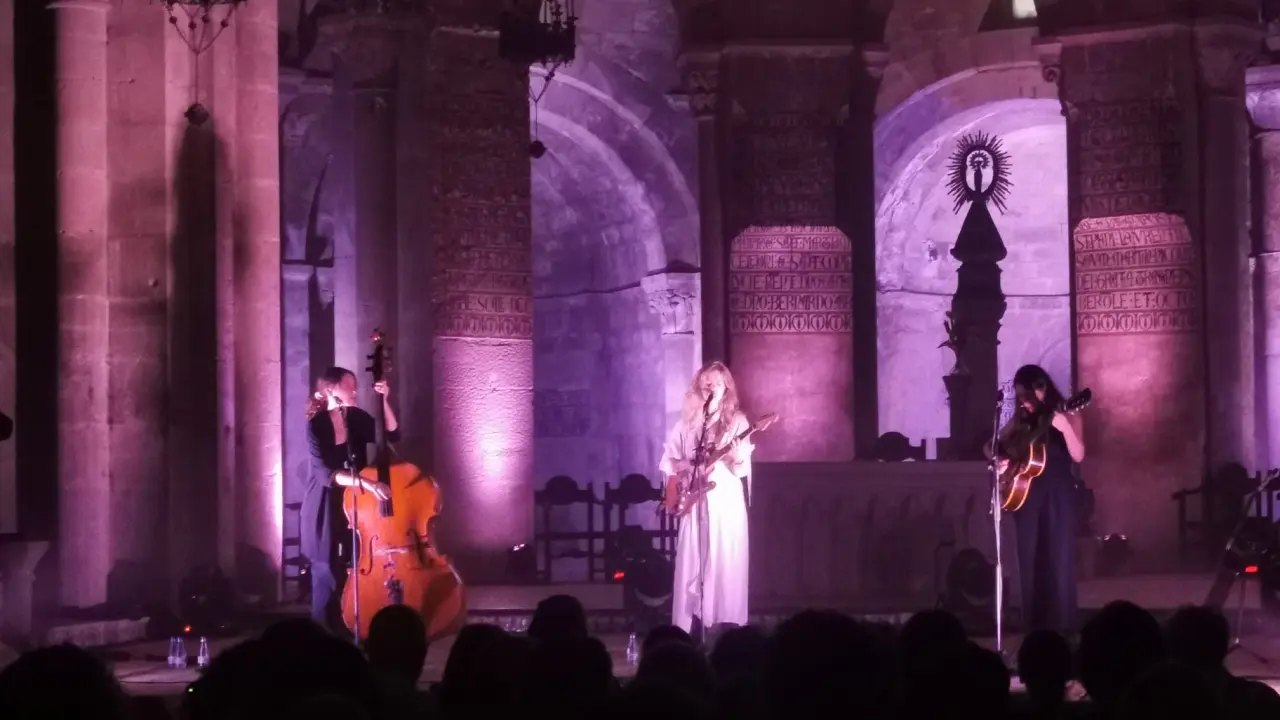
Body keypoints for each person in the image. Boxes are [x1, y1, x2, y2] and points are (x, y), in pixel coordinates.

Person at [659, 361, 754, 638]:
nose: (711, 387)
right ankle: (691, 628)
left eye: (717, 383)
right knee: (695, 560)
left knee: (724, 561)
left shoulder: (738, 422)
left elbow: (742, 470)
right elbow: (669, 460)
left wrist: (737, 457)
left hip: (725, 501)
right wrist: (686, 469)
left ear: (726, 389)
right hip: (695, 500)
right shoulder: (688, 423)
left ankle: (727, 629)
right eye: (707, 382)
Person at [302, 366, 400, 632]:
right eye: (349, 386)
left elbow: (391, 434)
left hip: (356, 505)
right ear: (331, 389)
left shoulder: (356, 418)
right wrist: (367, 483)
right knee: (326, 574)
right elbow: (325, 475)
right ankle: (322, 636)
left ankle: (353, 631)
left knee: (356, 569)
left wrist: (384, 400)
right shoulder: (316, 425)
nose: (355, 391)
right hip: (324, 504)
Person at [991, 364, 1086, 635]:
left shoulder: (1069, 412)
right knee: (1030, 559)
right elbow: (992, 447)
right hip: (1026, 495)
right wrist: (1004, 462)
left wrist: (1065, 428)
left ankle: (1063, 628)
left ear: (1041, 389)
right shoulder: (1023, 419)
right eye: (1019, 397)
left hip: (1059, 495)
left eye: (1027, 396)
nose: (1023, 402)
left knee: (1058, 560)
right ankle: (1035, 628)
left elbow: (1079, 455)